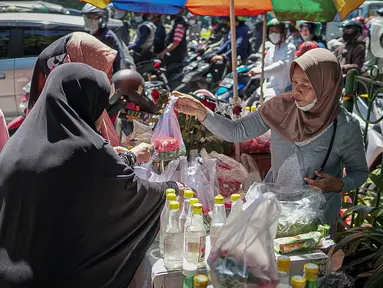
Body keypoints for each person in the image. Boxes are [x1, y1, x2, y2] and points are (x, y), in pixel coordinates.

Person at [0, 63, 186, 287]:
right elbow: (128, 191)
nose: (102, 113)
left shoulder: (19, 142)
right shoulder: (86, 148)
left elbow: (80, 176)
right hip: (55, 277)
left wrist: (128, 157)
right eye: (100, 104)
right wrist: (171, 189)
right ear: (85, 102)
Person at [173, 48, 369, 226]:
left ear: (327, 86)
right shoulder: (280, 108)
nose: (297, 90)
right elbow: (237, 131)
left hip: (317, 218)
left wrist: (341, 184)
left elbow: (359, 172)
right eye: (294, 82)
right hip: (274, 210)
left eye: (306, 85)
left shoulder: (346, 127)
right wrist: (202, 113)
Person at [28, 32, 120, 146]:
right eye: (105, 71)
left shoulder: (85, 111)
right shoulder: (68, 131)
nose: (110, 79)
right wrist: (131, 156)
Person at [246, 18, 296, 104]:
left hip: (279, 91)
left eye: (276, 31)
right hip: (266, 88)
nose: (273, 34)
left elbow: (282, 65)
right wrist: (254, 71)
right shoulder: (272, 49)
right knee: (246, 105)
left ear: (283, 32)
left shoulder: (290, 48)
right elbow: (264, 65)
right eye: (271, 31)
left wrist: (260, 71)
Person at [81, 3, 122, 72]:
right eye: (88, 17)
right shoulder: (94, 34)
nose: (89, 19)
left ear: (102, 18)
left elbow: (101, 60)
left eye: (93, 16)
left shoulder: (107, 37)